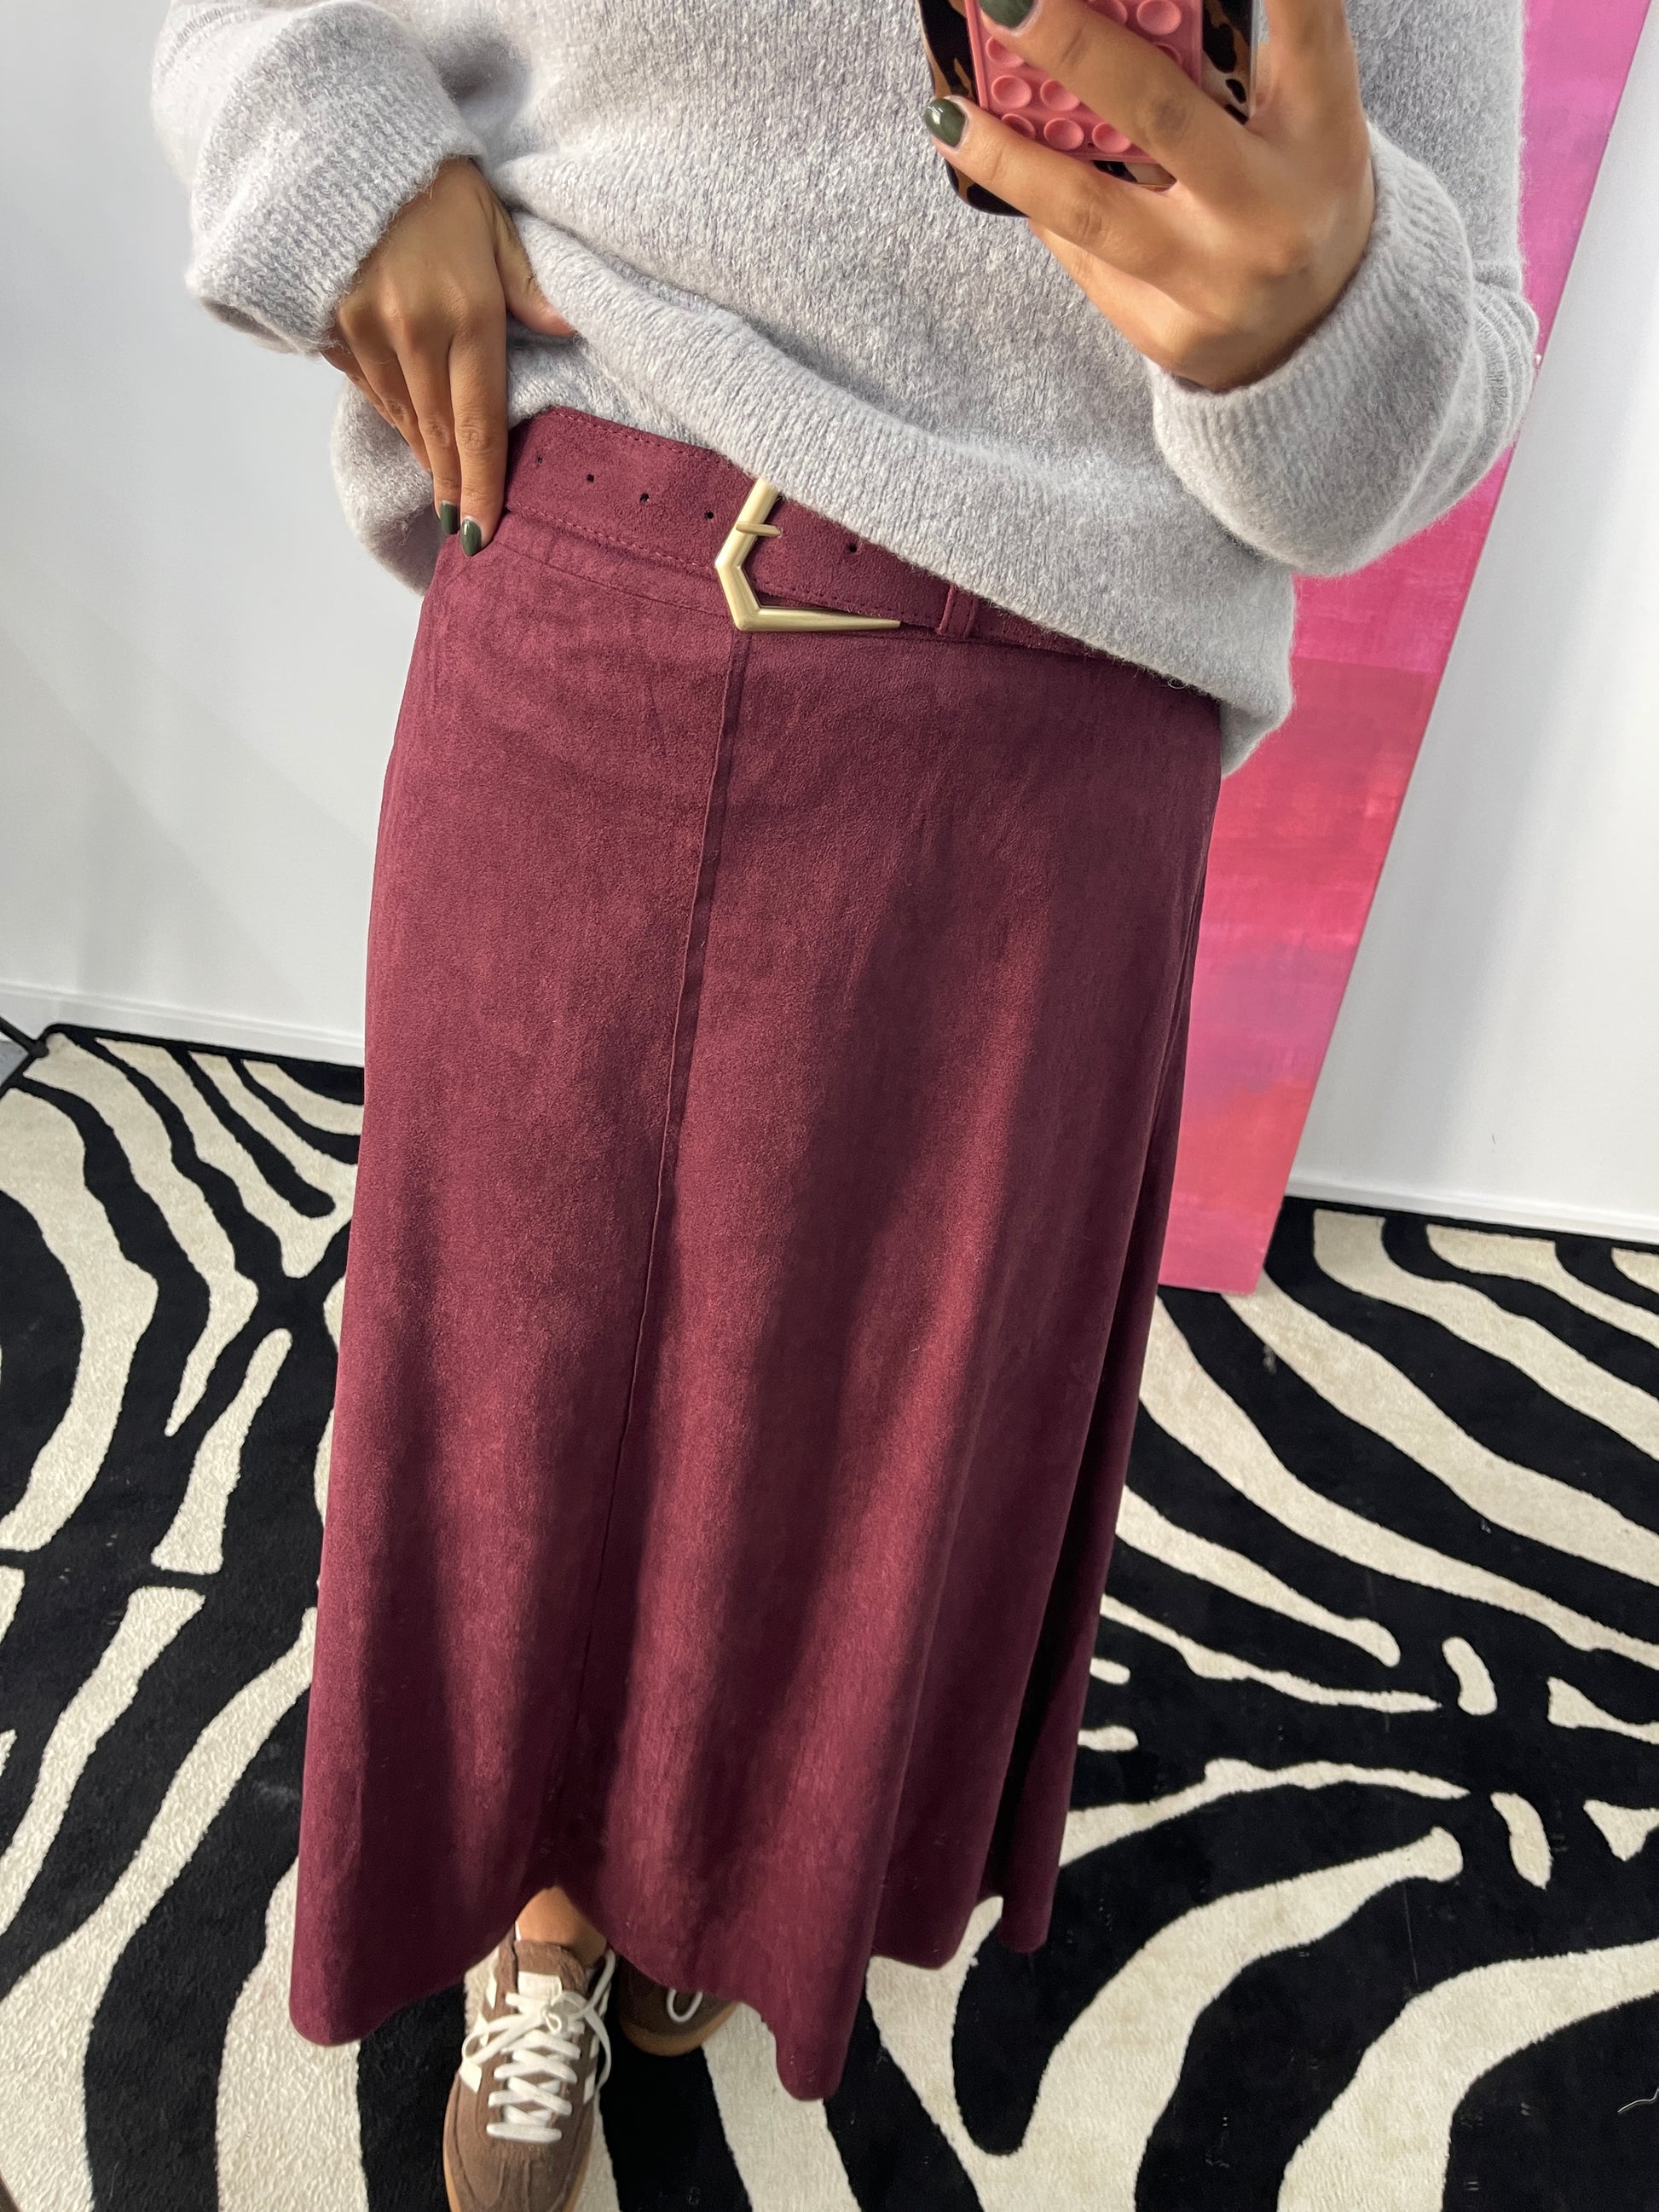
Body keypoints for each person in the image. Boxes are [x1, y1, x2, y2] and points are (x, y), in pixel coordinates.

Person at [151, 1, 1533, 2205]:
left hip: (1050, 721)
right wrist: (325, 136)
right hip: (588, 567)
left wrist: (1318, 330)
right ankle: (542, 1909)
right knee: (515, 1374)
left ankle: (716, 1872)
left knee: (868, 1426)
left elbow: (1425, 400)